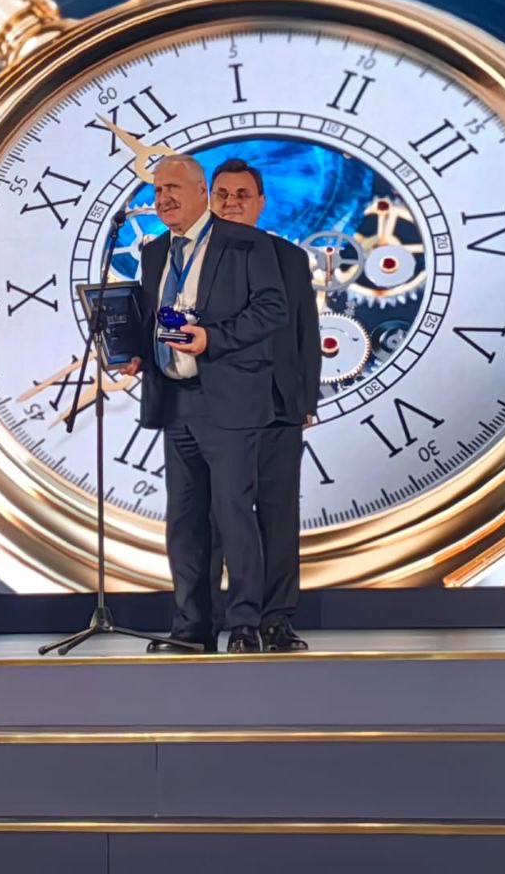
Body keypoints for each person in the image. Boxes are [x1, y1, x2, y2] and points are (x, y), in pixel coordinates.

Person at [120, 155, 286, 653]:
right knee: (185, 520)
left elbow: (272, 310)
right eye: (157, 190)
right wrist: (136, 352)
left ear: (201, 192)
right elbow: (154, 318)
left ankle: (245, 625)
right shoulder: (155, 252)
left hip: (230, 403)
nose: (163, 198)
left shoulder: (247, 243)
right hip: (175, 400)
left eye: (172, 188)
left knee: (233, 513)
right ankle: (192, 627)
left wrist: (213, 338)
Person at [209, 158, 321, 651]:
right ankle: (238, 622)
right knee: (224, 517)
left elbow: (305, 332)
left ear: (260, 203)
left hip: (278, 406)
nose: (232, 203)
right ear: (209, 200)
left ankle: (277, 620)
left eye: (242, 195)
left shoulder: (290, 258)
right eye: (223, 194)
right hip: (218, 410)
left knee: (278, 515)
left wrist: (306, 398)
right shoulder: (191, 256)